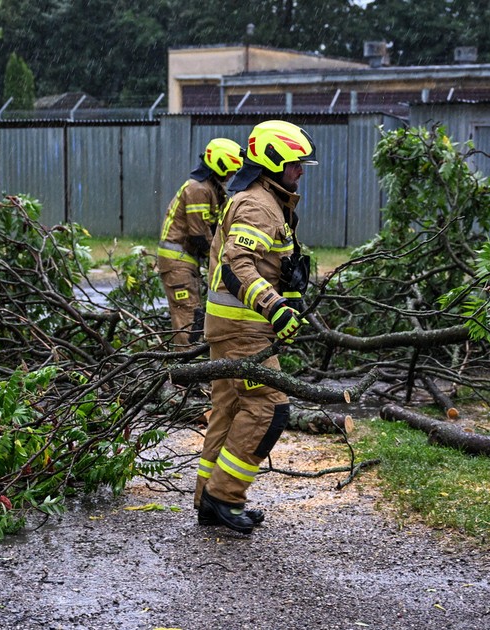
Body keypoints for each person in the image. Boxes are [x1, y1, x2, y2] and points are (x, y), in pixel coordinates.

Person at [196, 120, 316, 534]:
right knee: (270, 409)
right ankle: (225, 496)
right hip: (243, 329)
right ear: (273, 161)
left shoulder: (265, 199)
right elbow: (237, 264)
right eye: (297, 164)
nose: (301, 171)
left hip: (233, 327)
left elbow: (271, 262)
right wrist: (274, 305)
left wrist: (292, 294)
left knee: (228, 411)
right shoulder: (258, 205)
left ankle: (207, 500)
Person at [156, 138, 243, 346]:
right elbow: (199, 235)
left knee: (193, 312)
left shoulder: (210, 189)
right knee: (188, 315)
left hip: (184, 260)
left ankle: (189, 365)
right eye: (230, 171)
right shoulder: (198, 189)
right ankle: (185, 370)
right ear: (221, 166)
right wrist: (222, 261)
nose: (231, 177)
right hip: (177, 261)